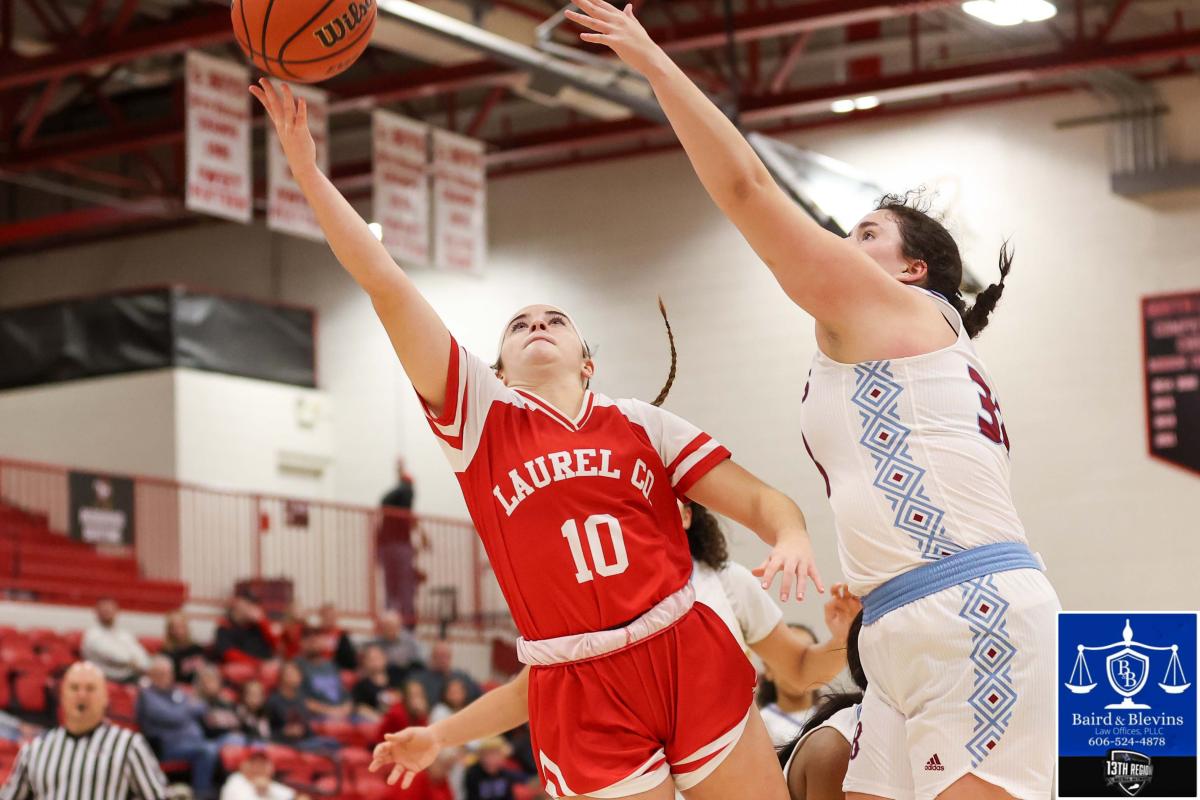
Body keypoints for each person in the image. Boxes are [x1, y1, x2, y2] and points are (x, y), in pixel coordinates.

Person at [253, 76, 822, 800]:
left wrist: (791, 535)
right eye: (519, 325)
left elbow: (762, 500)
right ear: (497, 368)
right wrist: (307, 171)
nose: (537, 326)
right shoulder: (479, 419)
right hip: (578, 682)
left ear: (588, 362)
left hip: (685, 643)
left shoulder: (642, 424)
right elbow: (386, 282)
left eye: (554, 320)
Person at [564, 4, 1061, 799]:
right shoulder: (888, 347)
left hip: (970, 614)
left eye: (866, 235)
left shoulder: (902, 313)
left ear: (912, 271)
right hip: (900, 622)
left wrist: (655, 63)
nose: (842, 245)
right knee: (826, 773)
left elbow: (746, 186)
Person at [370, 501, 859, 793]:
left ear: (687, 514)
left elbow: (799, 669)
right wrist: (439, 736)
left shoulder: (726, 581)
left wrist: (841, 640)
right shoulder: (592, 595)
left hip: (725, 767)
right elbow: (526, 693)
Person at [0, 661, 167, 800]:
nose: (82, 695)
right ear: (62, 696)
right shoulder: (36, 749)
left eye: (90, 688)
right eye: (74, 688)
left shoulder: (129, 746)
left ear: (105, 698)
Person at [136, 656, 221, 797]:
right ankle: (201, 795)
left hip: (195, 742)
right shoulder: (147, 695)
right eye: (160, 673)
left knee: (228, 743)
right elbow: (172, 716)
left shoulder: (176, 691)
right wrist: (186, 709)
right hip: (168, 747)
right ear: (151, 675)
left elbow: (201, 706)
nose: (165, 677)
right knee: (207, 750)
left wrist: (183, 709)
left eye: (168, 673)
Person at [756, 624, 821, 747]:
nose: (799, 666)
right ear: (768, 668)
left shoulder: (837, 718)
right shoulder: (759, 727)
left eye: (807, 657)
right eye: (788, 657)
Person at [378, 457, 420, 625]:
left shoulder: (394, 506)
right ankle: (398, 618)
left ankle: (399, 618)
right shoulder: (399, 504)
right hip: (397, 547)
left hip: (393, 547)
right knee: (399, 585)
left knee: (397, 585)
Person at [263, 662, 338, 753]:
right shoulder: (273, 702)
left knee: (332, 743)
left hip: (305, 741)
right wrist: (284, 732)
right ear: (282, 677)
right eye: (292, 674)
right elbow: (265, 733)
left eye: (298, 674)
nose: (297, 677)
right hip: (286, 744)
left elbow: (306, 727)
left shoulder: (301, 699)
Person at [81, 597, 150, 683]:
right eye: (104, 610)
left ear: (117, 612)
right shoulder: (92, 635)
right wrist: (132, 662)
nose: (107, 612)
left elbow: (142, 656)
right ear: (96, 612)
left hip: (131, 676)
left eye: (110, 610)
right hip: (106, 679)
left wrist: (142, 665)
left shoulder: (124, 634)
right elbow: (114, 656)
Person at [296, 627, 352, 720]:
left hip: (342, 714)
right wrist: (331, 712)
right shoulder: (297, 666)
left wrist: (345, 710)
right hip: (317, 716)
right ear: (302, 643)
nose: (314, 642)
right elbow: (299, 699)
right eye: (309, 639)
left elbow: (345, 695)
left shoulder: (331, 665)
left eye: (317, 638)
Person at [218, 744, 312, 800]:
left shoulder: (269, 784)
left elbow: (297, 797)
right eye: (254, 763)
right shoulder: (236, 781)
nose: (258, 768)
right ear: (243, 766)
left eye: (263, 764)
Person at [411, 641, 480, 710]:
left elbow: (480, 697)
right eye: (438, 656)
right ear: (432, 657)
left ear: (450, 657)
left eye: (445, 656)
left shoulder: (463, 677)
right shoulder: (420, 679)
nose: (442, 660)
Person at [214, 597, 278, 666]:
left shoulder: (260, 624)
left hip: (267, 664)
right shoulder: (225, 627)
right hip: (243, 666)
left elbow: (276, 644)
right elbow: (229, 653)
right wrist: (258, 664)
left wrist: (262, 621)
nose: (247, 610)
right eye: (243, 607)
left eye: (249, 607)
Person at [195, 664, 248, 747]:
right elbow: (203, 732)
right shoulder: (196, 706)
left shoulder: (227, 704)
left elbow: (241, 726)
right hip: (210, 743)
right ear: (200, 685)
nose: (209, 685)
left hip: (233, 740)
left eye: (213, 681)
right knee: (235, 739)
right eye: (206, 681)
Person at [368, 610, 424, 682]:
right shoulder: (377, 642)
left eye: (392, 626)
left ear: (399, 625)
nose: (389, 629)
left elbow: (419, 664)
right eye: (385, 626)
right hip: (385, 676)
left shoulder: (410, 641)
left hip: (407, 675)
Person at [351, 645, 403, 722]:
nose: (375, 662)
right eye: (371, 659)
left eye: (378, 657)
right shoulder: (361, 687)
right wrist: (381, 720)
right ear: (365, 662)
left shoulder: (398, 679)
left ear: (385, 658)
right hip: (376, 723)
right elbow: (360, 708)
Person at [162, 612, 207, 685]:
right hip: (178, 687)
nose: (178, 630)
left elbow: (204, 670)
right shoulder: (166, 652)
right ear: (169, 630)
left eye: (181, 626)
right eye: (174, 627)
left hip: (200, 686)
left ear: (187, 628)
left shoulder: (197, 649)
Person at [314, 603, 357, 671]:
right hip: (315, 669)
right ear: (321, 617)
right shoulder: (314, 634)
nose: (329, 618)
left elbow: (349, 660)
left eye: (332, 616)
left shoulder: (342, 635)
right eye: (326, 616)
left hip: (336, 670)